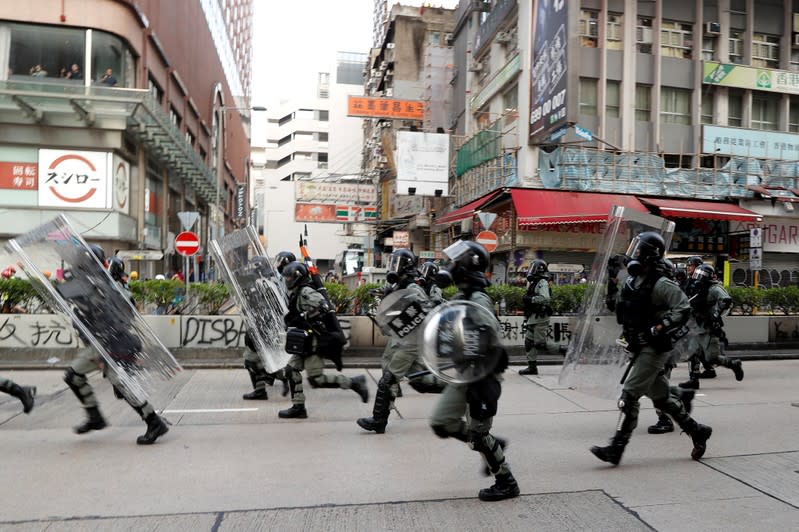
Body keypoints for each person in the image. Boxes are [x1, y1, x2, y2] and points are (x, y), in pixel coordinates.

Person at [590, 231, 712, 466]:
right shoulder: (633, 282)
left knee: (629, 396)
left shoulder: (661, 283)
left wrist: (658, 328)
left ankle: (616, 448)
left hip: (654, 348)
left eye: (638, 250)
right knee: (662, 399)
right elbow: (617, 307)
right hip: (637, 346)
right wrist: (611, 280)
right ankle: (697, 431)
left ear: (649, 255)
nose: (633, 254)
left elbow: (683, 308)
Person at [429, 240, 520, 502]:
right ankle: (492, 445)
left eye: (456, 262)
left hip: (480, 376)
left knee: (479, 434)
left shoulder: (478, 299)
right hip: (462, 374)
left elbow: (489, 336)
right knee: (441, 422)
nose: (451, 267)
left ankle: (506, 481)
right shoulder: (462, 297)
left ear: (468, 266)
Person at [62, 246, 169, 445]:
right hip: (98, 342)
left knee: (119, 384)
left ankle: (153, 422)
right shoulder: (87, 283)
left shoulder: (104, 285)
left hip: (107, 342)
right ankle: (97, 417)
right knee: (79, 377)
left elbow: (121, 314)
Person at [357, 250, 445, 434]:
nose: (393, 267)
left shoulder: (413, 288)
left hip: (411, 341)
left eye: (397, 263)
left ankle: (379, 420)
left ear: (406, 266)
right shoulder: (401, 285)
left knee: (388, 378)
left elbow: (427, 310)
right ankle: (461, 389)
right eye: (393, 262)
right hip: (400, 337)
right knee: (420, 382)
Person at [278, 261, 369, 419]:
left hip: (313, 342)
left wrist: (303, 317)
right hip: (303, 341)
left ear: (298, 277)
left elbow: (323, 306)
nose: (287, 281)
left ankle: (354, 383)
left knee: (316, 380)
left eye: (289, 277)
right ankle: (298, 406)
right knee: (291, 371)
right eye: (286, 278)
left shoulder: (306, 291)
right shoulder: (297, 292)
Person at [679, 264, 743, 390]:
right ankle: (693, 380)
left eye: (700, 274)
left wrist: (715, 314)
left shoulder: (713, 288)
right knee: (693, 353)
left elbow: (726, 300)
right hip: (695, 326)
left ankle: (733, 364)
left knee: (711, 358)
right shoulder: (696, 288)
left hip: (709, 328)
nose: (697, 277)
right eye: (697, 274)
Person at [520, 259, 561, 375]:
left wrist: (531, 299)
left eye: (533, 268)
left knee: (540, 344)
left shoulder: (542, 282)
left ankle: (565, 350)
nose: (531, 270)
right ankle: (532, 367)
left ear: (538, 270)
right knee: (529, 342)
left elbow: (545, 298)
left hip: (540, 317)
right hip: (533, 317)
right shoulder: (535, 282)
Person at [241, 330, 287, 400]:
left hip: (259, 338)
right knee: (259, 364)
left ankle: (260, 391)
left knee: (251, 364)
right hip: (263, 338)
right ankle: (282, 377)